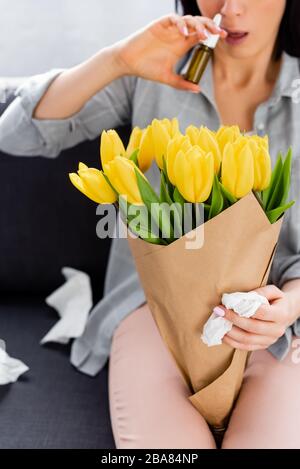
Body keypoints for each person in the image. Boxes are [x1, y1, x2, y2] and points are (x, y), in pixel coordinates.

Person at [1, 0, 300, 449]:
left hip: (270, 323)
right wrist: (118, 60)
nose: (232, 9)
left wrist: (290, 307)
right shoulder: (158, 72)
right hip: (152, 311)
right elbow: (15, 132)